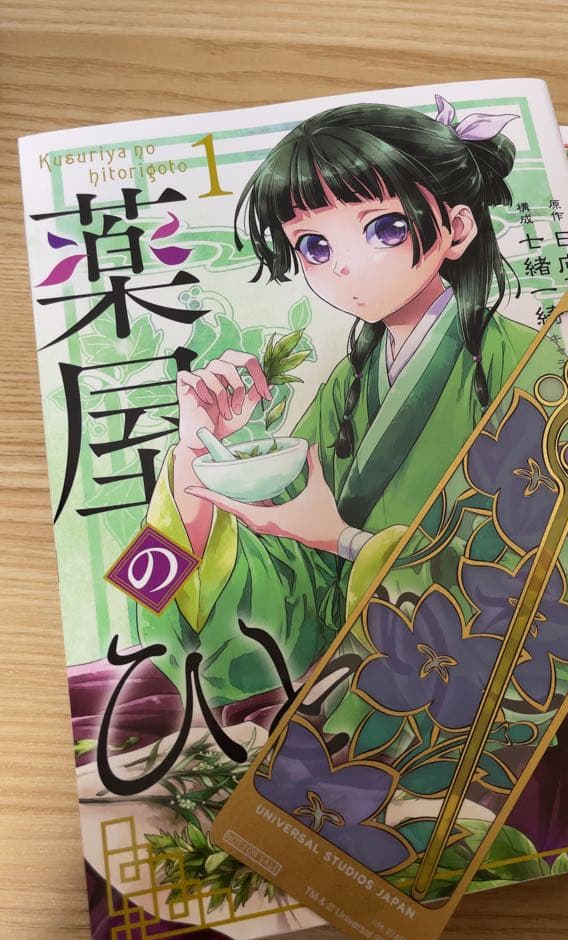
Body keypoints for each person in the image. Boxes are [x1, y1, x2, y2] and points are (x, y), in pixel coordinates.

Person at [138, 95, 537, 707]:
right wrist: (198, 453)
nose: (342, 267)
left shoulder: (529, 365)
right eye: (315, 247)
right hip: (357, 680)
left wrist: (343, 540)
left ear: (456, 229)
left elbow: (551, 575)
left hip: (464, 695)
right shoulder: (349, 384)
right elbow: (290, 572)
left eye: (384, 228)